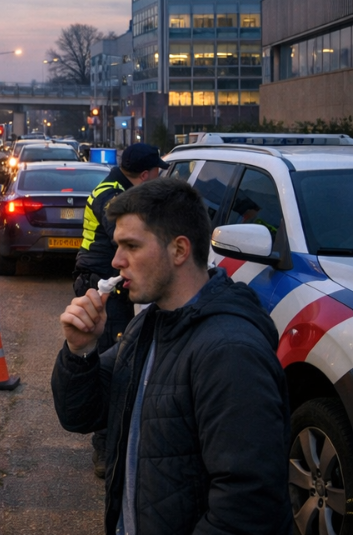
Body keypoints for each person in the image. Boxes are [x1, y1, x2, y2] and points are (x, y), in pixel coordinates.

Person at [52, 178, 290, 535]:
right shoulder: (150, 324)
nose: (116, 261)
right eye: (117, 246)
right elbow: (80, 414)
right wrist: (80, 350)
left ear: (179, 250)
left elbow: (248, 505)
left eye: (130, 246)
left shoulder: (229, 350)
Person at [72, 142, 168, 476]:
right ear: (144, 175)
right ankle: (105, 449)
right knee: (110, 362)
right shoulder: (112, 195)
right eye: (156, 172)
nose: (158, 177)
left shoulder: (121, 189)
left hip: (111, 282)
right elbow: (123, 237)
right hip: (102, 283)